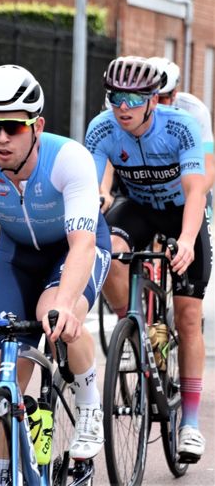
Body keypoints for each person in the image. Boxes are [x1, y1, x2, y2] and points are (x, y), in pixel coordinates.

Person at [0, 64, 112, 471]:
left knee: (55, 312)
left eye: (13, 126)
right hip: (17, 257)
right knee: (5, 380)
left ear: (37, 126)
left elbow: (82, 243)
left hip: (73, 249)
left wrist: (65, 303)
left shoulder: (69, 159)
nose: (2, 138)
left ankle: (89, 404)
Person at [85, 55, 212, 462]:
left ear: (153, 101)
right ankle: (134, 326)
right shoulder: (102, 127)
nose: (123, 107)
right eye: (115, 97)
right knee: (106, 252)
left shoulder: (181, 125)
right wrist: (95, 203)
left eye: (134, 99)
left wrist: (187, 240)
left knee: (188, 317)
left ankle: (189, 423)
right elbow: (93, 186)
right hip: (137, 209)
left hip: (181, 212)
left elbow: (196, 190)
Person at [148, 56, 214, 220]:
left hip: (187, 187)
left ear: (174, 94)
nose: (156, 104)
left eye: (162, 98)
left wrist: (194, 197)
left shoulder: (195, 110)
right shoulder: (135, 112)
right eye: (151, 97)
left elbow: (209, 166)